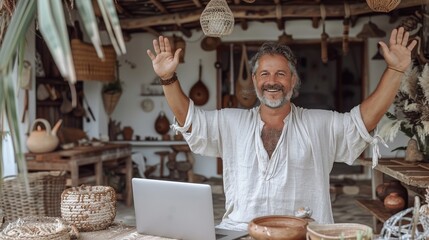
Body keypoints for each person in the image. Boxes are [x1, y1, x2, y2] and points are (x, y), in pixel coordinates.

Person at [146, 27, 417, 231]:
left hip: (304, 233)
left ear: (293, 80)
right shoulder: (232, 122)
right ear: (254, 80)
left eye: (280, 74)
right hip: (241, 232)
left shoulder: (317, 123)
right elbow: (190, 120)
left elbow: (362, 121)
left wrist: (394, 69)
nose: (271, 82)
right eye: (264, 74)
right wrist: (168, 78)